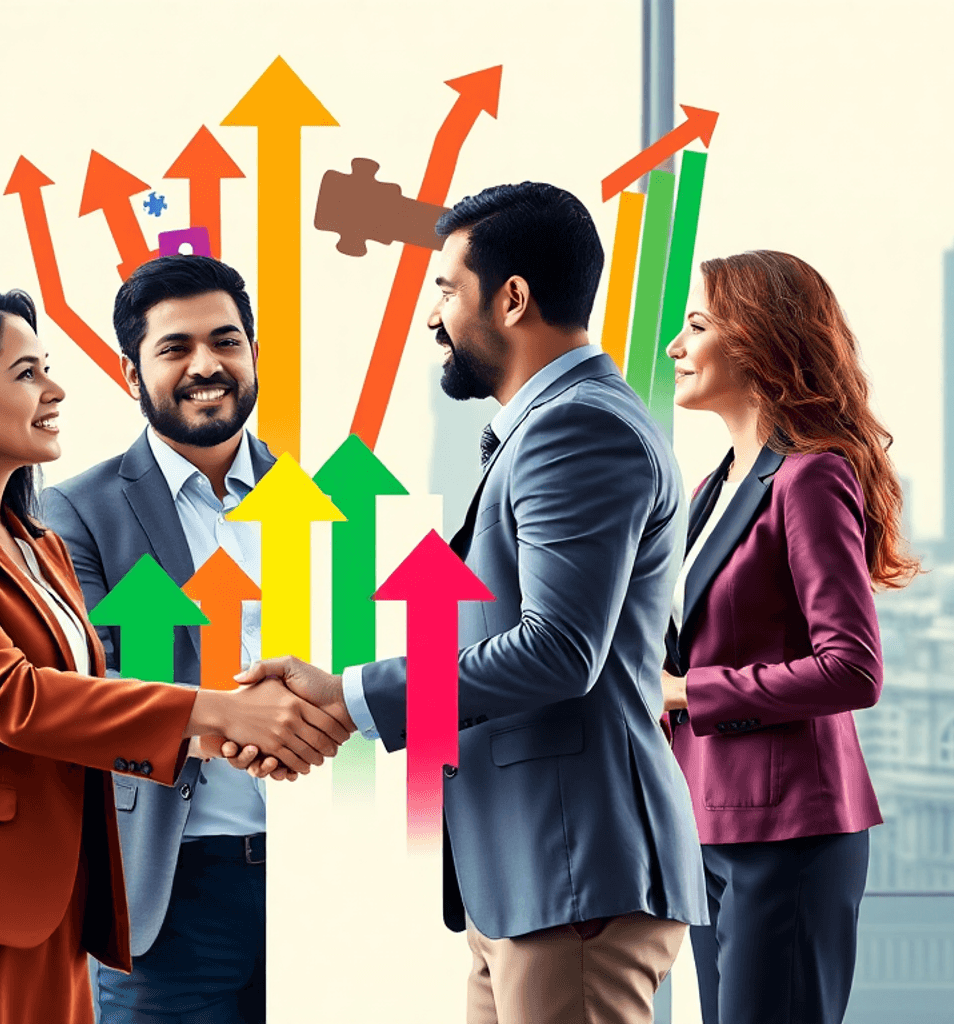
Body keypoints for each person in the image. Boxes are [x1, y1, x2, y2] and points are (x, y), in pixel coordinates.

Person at [238, 182, 708, 1024]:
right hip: (528, 879)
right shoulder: (554, 426)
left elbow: (558, 650)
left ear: (513, 298)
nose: (434, 319)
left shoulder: (577, 430)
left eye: (447, 290)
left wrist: (350, 698)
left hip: (571, 878)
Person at [0, 288, 350, 1024]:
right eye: (26, 374)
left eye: (47, 367)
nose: (56, 389)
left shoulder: (34, 543)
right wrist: (229, 711)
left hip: (51, 906)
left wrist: (258, 733)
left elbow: (87, 707)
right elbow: (16, 698)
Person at [660, 250, 917, 1024]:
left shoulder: (810, 477)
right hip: (706, 823)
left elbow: (851, 670)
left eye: (697, 326)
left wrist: (686, 692)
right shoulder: (708, 491)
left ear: (758, 345)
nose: (675, 346)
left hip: (790, 830)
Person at [42, 254, 287, 1023]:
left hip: (317, 877)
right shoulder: (75, 512)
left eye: (227, 341)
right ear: (132, 372)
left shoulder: (313, 507)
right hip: (171, 887)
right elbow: (86, 692)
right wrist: (241, 721)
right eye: (175, 348)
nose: (207, 365)